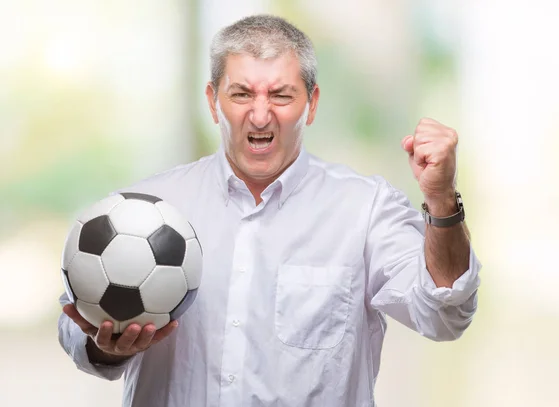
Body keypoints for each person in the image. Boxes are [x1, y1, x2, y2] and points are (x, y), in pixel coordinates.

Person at [58, 14, 481, 407]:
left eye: (281, 95)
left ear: (311, 104)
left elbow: (444, 315)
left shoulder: (366, 210)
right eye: (241, 94)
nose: (260, 115)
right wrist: (102, 345)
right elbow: (75, 324)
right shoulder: (143, 207)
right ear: (213, 100)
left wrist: (442, 198)